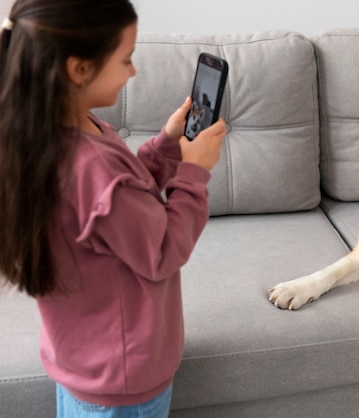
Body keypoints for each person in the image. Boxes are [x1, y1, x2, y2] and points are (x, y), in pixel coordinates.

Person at [0, 1, 226, 416]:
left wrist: (167, 146)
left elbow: (116, 207)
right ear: (79, 69)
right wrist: (194, 173)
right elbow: (161, 250)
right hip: (124, 381)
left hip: (84, 363)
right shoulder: (91, 164)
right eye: (125, 59)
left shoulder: (60, 132)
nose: (133, 72)